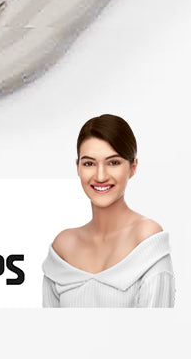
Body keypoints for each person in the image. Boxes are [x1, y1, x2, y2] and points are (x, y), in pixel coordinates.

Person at [41, 113, 174, 307]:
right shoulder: (63, 247)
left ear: (133, 167)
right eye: (89, 164)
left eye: (113, 163)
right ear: (78, 167)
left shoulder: (146, 239)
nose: (100, 176)